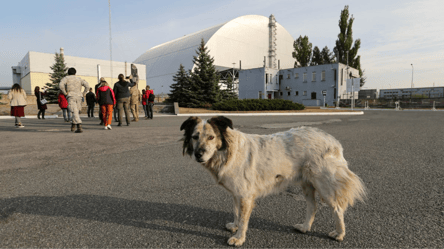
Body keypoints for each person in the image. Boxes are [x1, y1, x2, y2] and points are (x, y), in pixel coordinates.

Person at [59, 67, 89, 133]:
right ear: (75, 73)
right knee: (76, 111)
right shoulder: (79, 79)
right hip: (79, 96)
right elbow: (87, 86)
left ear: (68, 73)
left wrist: (65, 92)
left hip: (71, 96)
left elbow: (61, 86)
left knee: (74, 111)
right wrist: (83, 93)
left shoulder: (66, 78)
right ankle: (73, 125)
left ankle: (79, 125)